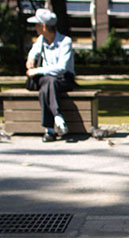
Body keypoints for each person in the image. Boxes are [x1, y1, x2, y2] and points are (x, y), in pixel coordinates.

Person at [26, 8, 76, 142]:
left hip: (63, 79)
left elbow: (61, 68)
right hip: (49, 81)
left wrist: (37, 71)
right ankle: (58, 119)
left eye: (36, 24)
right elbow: (32, 53)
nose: (35, 27)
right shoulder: (41, 40)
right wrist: (30, 60)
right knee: (49, 82)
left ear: (43, 26)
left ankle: (50, 130)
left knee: (47, 85)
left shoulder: (65, 42)